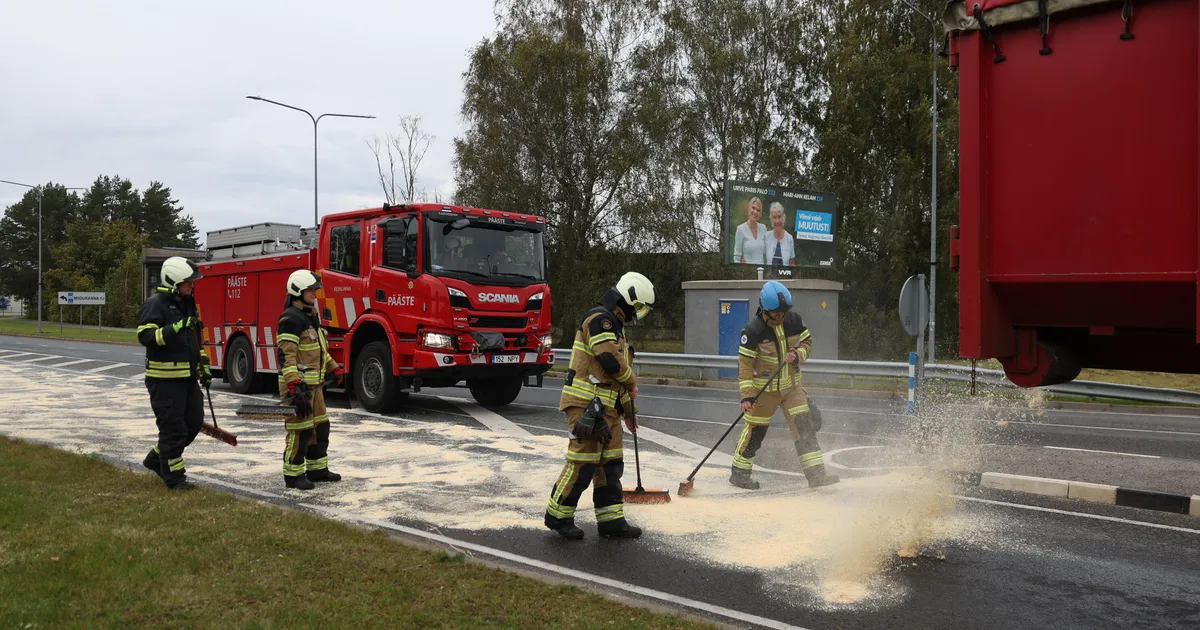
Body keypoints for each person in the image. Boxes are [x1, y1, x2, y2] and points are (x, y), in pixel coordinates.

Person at [544, 271, 656, 540]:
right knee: (582, 464)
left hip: (609, 410)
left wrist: (629, 413)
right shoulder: (600, 320)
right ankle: (558, 516)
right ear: (627, 297)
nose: (636, 313)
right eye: (637, 306)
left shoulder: (617, 327)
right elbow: (611, 363)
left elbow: (617, 380)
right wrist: (632, 380)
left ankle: (611, 521)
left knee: (610, 466)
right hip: (587, 408)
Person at [730, 281, 839, 490]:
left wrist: (798, 355)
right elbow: (744, 366)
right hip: (764, 392)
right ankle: (739, 473)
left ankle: (816, 475)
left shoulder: (794, 320)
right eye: (776, 312)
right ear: (765, 308)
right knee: (756, 432)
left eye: (783, 311)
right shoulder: (752, 331)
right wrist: (746, 396)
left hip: (792, 388)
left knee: (804, 427)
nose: (781, 316)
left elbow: (808, 343)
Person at [137, 256, 210, 490]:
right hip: (164, 381)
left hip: (187, 378)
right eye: (188, 282)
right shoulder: (155, 304)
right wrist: (174, 328)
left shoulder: (188, 304)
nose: (192, 285)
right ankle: (175, 478)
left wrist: (205, 367)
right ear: (173, 281)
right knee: (173, 430)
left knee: (194, 423)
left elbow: (196, 341)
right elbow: (146, 336)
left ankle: (155, 459)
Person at [276, 269, 346, 490]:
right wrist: (294, 385)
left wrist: (334, 368)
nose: (315, 293)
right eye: (311, 290)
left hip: (315, 387)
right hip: (298, 388)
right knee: (301, 431)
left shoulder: (311, 316)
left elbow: (320, 350)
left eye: (315, 289)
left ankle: (317, 471)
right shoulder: (290, 319)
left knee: (320, 428)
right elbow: (286, 357)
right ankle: (293, 476)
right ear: (297, 291)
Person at [732, 196, 767, 265]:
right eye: (753, 208)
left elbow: (767, 251)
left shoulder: (763, 228)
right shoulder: (740, 229)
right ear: (749, 209)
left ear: (760, 214)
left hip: (762, 271)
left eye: (758, 210)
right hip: (747, 272)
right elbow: (737, 257)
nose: (755, 212)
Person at [764, 202, 796, 267]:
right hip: (768, 276)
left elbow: (792, 263)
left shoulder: (789, 238)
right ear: (771, 219)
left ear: (783, 217)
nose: (777, 221)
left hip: (784, 276)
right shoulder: (766, 236)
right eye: (774, 217)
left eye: (779, 216)